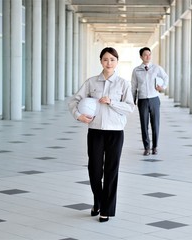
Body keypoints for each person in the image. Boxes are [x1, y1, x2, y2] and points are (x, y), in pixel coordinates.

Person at [68, 47, 134, 222]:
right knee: (94, 171)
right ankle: (98, 199)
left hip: (115, 133)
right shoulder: (91, 83)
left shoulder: (123, 84)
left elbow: (130, 107)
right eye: (105, 59)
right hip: (95, 132)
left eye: (112, 59)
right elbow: (74, 101)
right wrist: (79, 116)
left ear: (117, 62)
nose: (109, 63)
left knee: (111, 172)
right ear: (101, 61)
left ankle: (106, 209)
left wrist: (111, 102)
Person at [131, 47, 168, 156]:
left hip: (154, 99)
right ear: (141, 57)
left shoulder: (156, 68)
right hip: (142, 100)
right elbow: (133, 86)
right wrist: (132, 99)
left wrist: (162, 87)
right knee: (144, 124)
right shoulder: (136, 70)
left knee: (155, 124)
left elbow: (165, 77)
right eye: (145, 55)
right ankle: (146, 147)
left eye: (149, 54)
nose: (148, 56)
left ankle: (155, 146)